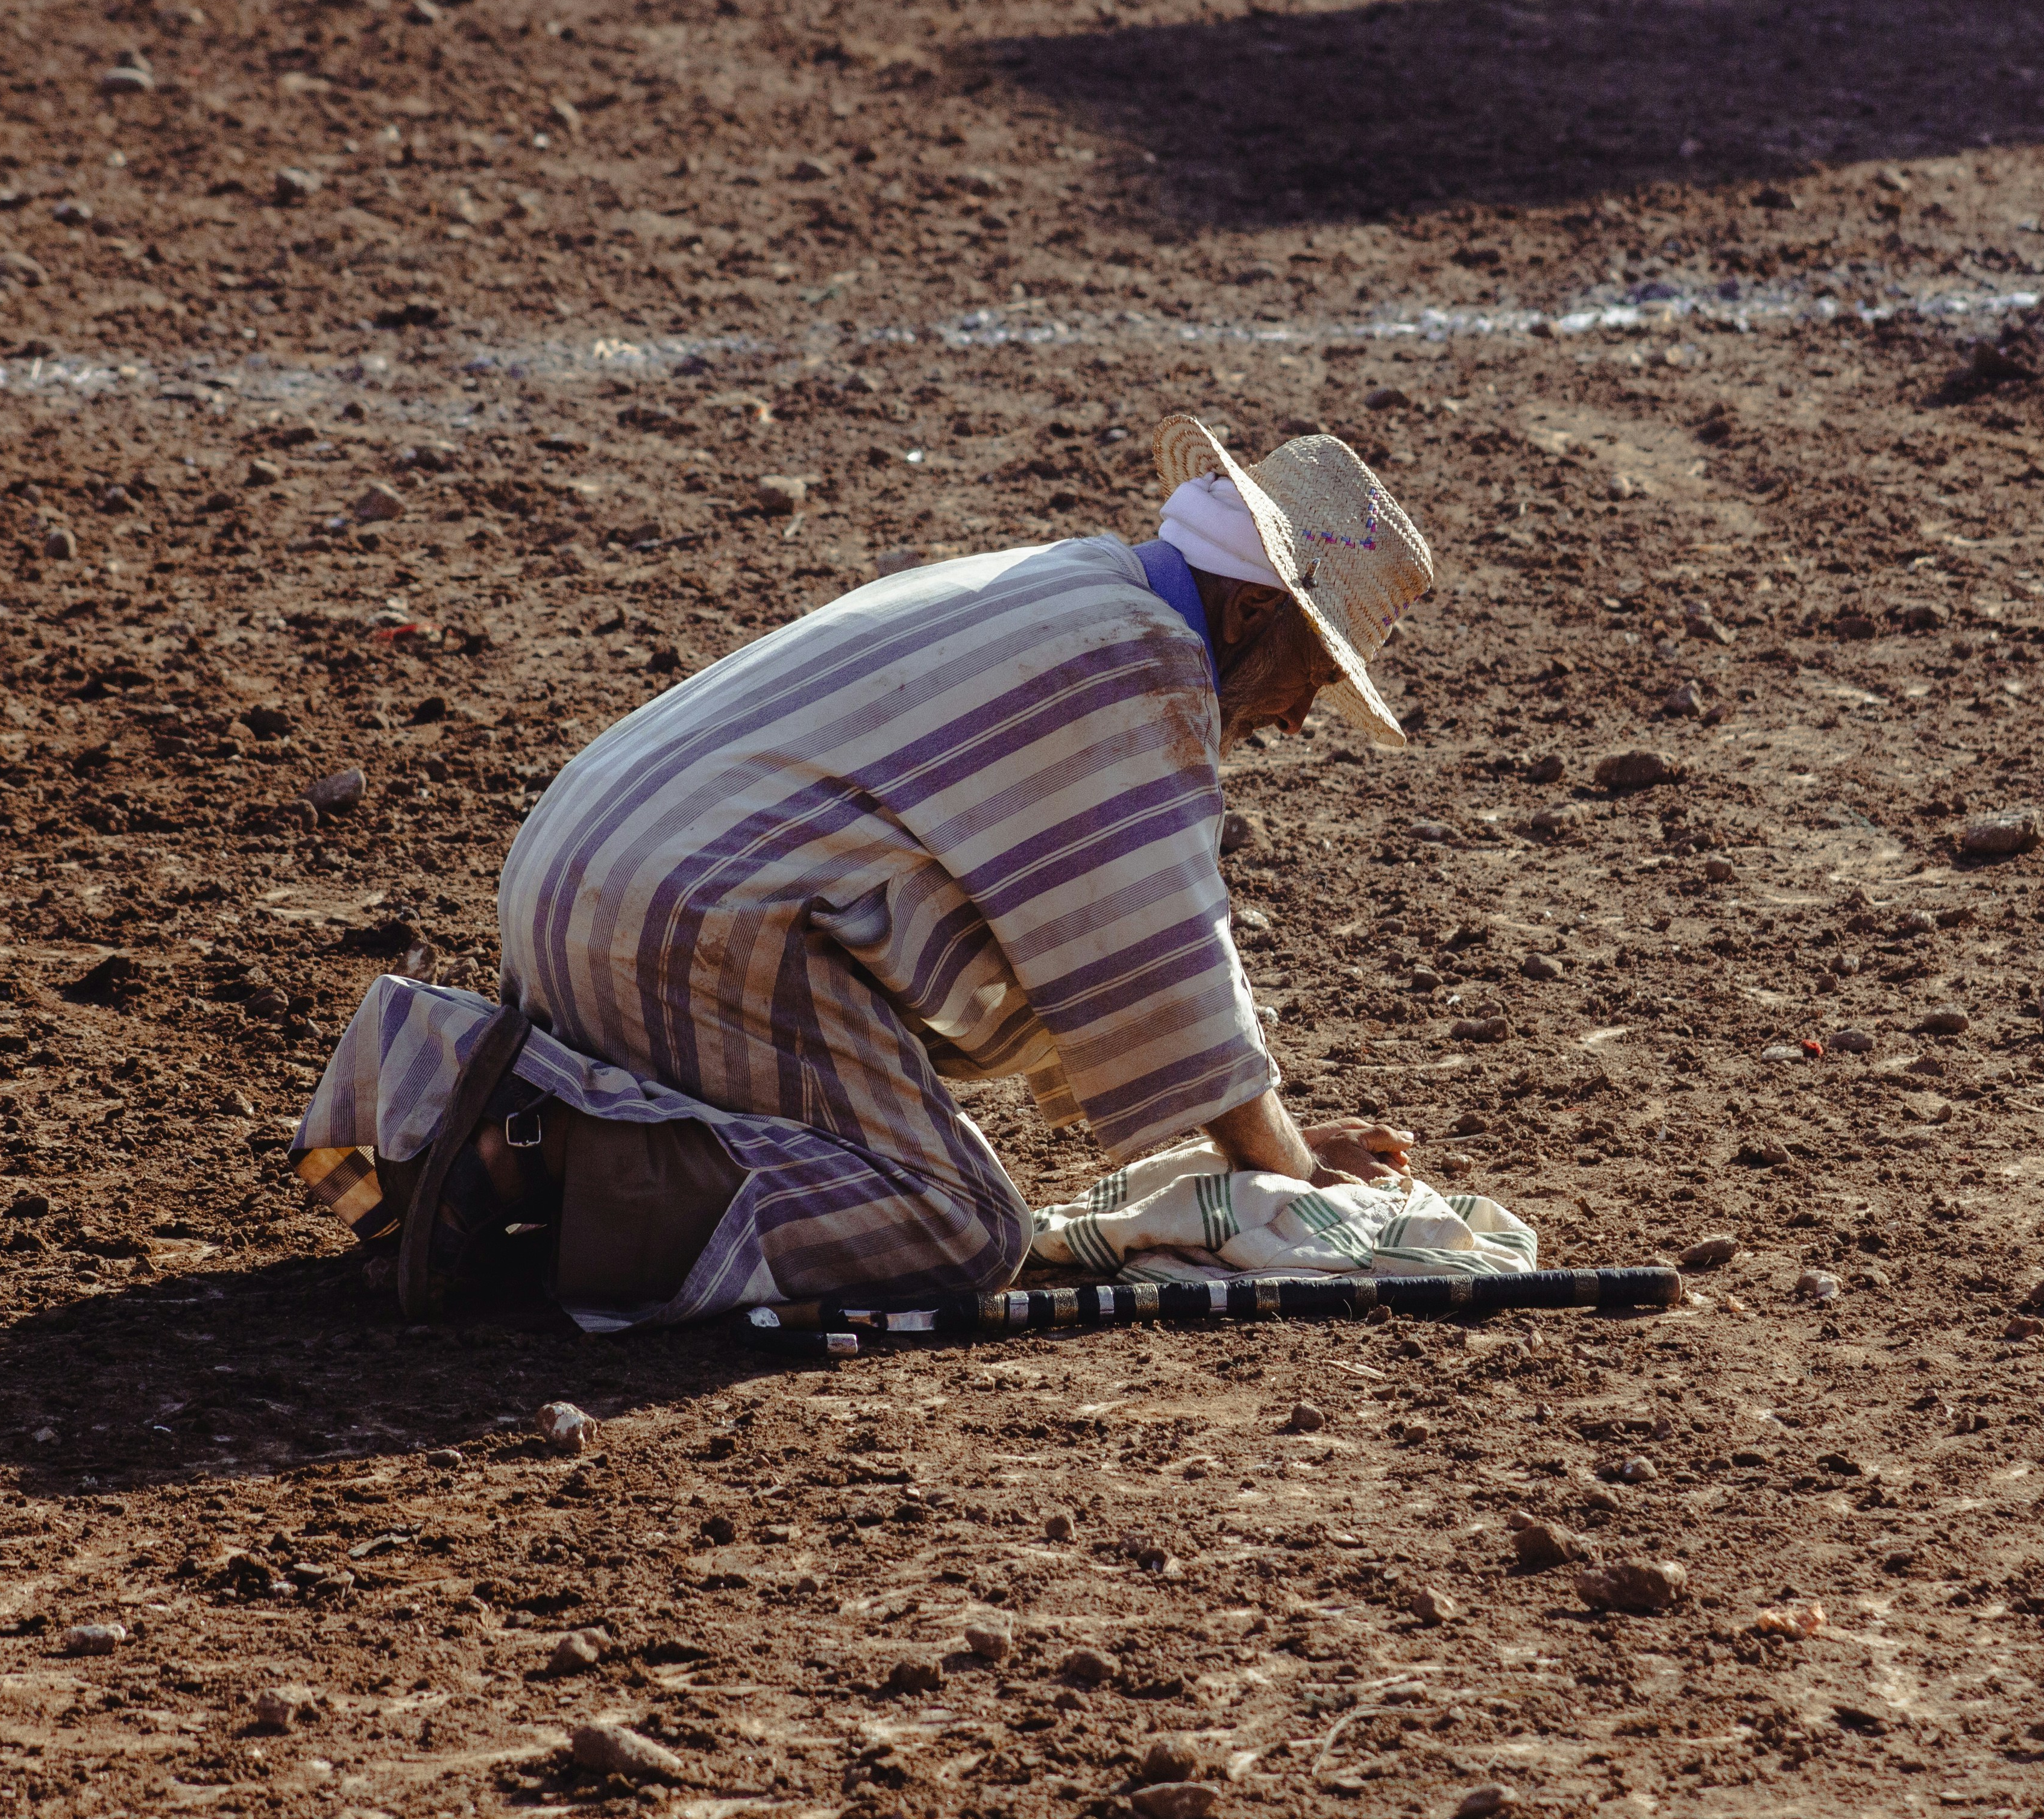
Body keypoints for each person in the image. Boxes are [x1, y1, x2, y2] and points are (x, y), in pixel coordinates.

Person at [290, 413, 1438, 1325]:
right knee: (957, 1228)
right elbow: (1155, 954)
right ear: (1248, 612)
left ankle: (507, 1113)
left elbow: (1089, 943)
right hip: (687, 923)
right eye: (1314, 670)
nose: (1301, 716)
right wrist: (1284, 1172)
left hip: (592, 882)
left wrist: (1260, 1147)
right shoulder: (1141, 659)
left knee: (889, 1166)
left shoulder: (1078, 585)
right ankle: (524, 1149)